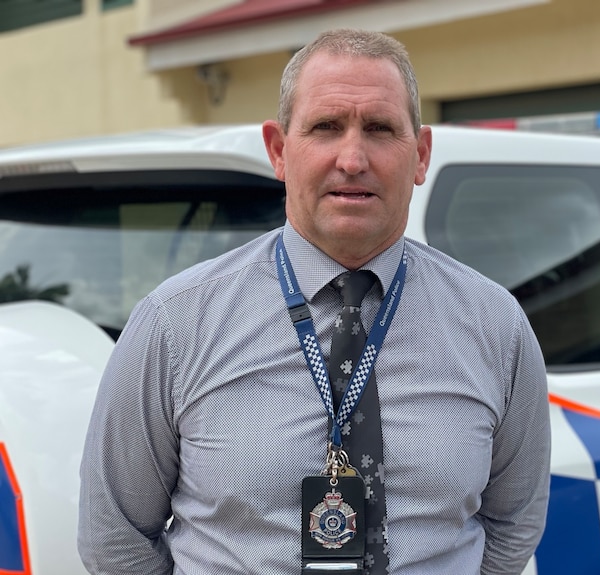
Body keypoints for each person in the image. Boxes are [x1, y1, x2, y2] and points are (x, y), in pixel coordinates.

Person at [78, 28, 550, 575]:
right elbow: (114, 537)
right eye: (326, 127)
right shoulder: (176, 321)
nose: (352, 159)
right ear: (280, 151)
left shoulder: (496, 325)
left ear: (420, 155)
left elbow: (513, 525)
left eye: (379, 129)